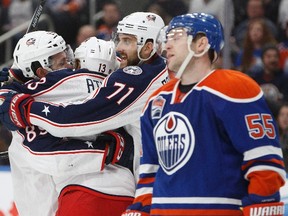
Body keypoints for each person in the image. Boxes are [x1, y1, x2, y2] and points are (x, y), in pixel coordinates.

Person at [0, 12, 169, 215]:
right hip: (139, 190)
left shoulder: (139, 77)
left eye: (127, 41)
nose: (71, 68)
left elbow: (70, 120)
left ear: (148, 46)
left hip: (99, 191)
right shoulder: (141, 71)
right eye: (65, 61)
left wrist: (17, 101)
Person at [120, 13, 286, 216]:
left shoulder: (234, 88)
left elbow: (263, 158)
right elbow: (150, 169)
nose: (167, 46)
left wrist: (262, 203)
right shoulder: (157, 100)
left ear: (201, 44)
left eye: (176, 37)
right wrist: (141, 208)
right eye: (167, 38)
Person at [0, 31, 128, 216]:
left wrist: (11, 86)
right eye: (63, 61)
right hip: (108, 190)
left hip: (85, 193)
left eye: (68, 56)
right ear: (42, 72)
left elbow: (48, 154)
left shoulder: (63, 85)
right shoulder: (67, 87)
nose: (70, 65)